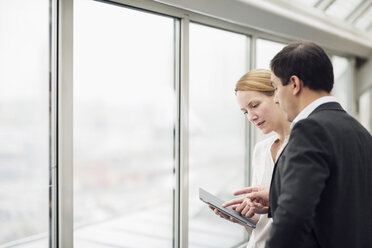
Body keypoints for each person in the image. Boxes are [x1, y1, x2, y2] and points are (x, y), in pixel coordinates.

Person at [229, 42, 372, 248]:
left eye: (276, 88)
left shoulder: (310, 129)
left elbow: (293, 218)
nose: (277, 98)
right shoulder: (361, 133)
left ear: (294, 84)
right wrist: (276, 196)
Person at [209, 69, 290, 248]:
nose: (251, 117)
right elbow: (262, 225)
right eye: (245, 112)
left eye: (254, 105)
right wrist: (244, 218)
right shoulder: (260, 150)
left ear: (277, 94)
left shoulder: (305, 148)